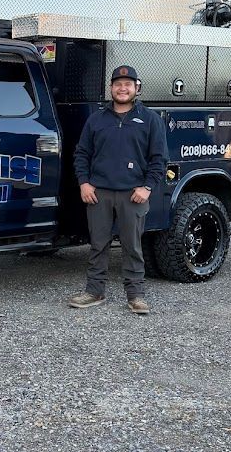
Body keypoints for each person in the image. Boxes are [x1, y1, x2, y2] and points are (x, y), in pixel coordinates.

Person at [68, 65, 168, 315]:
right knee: (98, 244)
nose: (123, 88)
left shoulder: (150, 119)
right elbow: (82, 154)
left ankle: (136, 295)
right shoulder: (97, 119)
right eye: (118, 84)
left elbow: (159, 159)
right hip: (98, 193)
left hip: (132, 194)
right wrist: (84, 182)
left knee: (132, 246)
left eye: (128, 84)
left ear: (136, 88)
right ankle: (94, 291)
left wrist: (147, 187)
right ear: (111, 88)